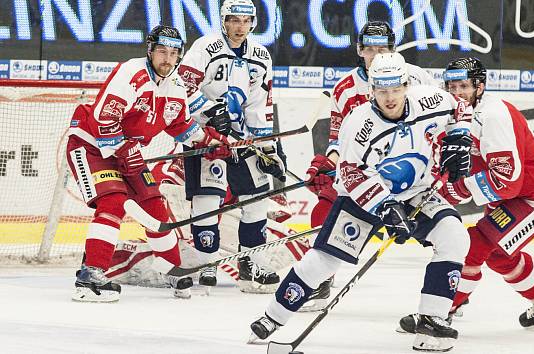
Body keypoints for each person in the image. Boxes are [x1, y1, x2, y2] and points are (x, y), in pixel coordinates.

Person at [249, 52, 474, 352]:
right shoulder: (359, 124)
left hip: (415, 193)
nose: (390, 98)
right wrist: (384, 207)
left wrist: (459, 138)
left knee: (454, 236)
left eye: (396, 89)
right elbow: (351, 174)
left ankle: (432, 321)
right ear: (372, 90)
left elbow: (460, 108)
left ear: (407, 85)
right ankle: (272, 317)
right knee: (326, 260)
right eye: (382, 91)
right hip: (364, 197)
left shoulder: (430, 99)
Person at [398, 57, 534, 332]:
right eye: (452, 86)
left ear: (479, 87)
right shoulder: (450, 112)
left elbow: (508, 182)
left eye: (464, 86)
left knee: (474, 246)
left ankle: (442, 310)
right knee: (498, 255)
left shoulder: (493, 116)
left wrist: (457, 189)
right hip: (508, 196)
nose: (456, 93)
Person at [67, 25, 227, 302]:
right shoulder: (131, 73)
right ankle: (90, 274)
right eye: (162, 51)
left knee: (154, 204)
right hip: (91, 145)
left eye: (174, 53)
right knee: (113, 200)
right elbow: (105, 120)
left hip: (126, 151)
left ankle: (171, 270)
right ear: (150, 51)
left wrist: (210, 142)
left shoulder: (176, 84)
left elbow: (180, 125)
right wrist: (124, 151)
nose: (168, 58)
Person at [302, 20, 438, 310]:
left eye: (383, 48)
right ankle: (322, 280)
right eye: (370, 49)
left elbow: (437, 124)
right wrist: (332, 165)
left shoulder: (416, 78)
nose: (376, 55)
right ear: (358, 50)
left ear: (393, 49)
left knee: (445, 231)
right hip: (367, 174)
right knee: (324, 208)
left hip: (413, 171)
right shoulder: (345, 88)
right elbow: (339, 140)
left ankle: (453, 290)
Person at [177, 0, 284, 293]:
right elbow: (180, 86)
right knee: (208, 200)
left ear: (253, 22)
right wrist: (210, 111)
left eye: (245, 20)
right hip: (206, 136)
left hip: (241, 139)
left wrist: (266, 147)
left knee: (256, 198)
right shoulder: (205, 46)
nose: (240, 27)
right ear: (223, 21)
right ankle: (207, 262)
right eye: (234, 20)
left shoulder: (261, 55)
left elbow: (260, 103)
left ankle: (251, 262)